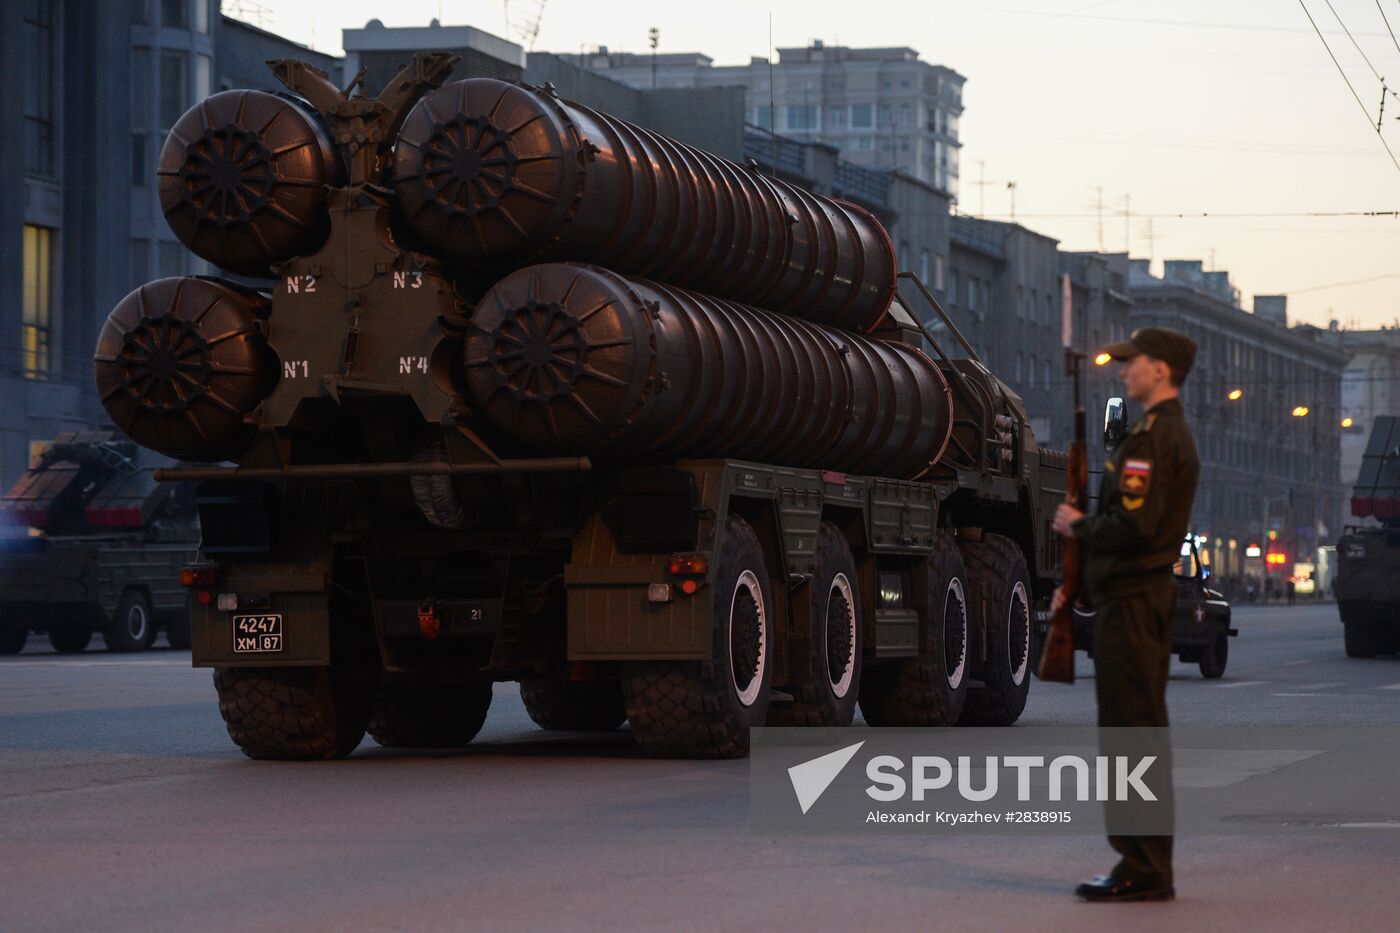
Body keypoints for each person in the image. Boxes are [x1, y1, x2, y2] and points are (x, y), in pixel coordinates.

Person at [1050, 326, 1200, 903]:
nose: (1125, 370)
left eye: (1134, 362)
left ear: (1160, 370)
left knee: (1131, 736)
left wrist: (1077, 526)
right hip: (1133, 597)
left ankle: (1143, 867)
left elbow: (1134, 528)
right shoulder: (1154, 434)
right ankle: (1142, 861)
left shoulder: (1153, 440)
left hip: (1134, 602)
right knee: (1135, 733)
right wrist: (1079, 586)